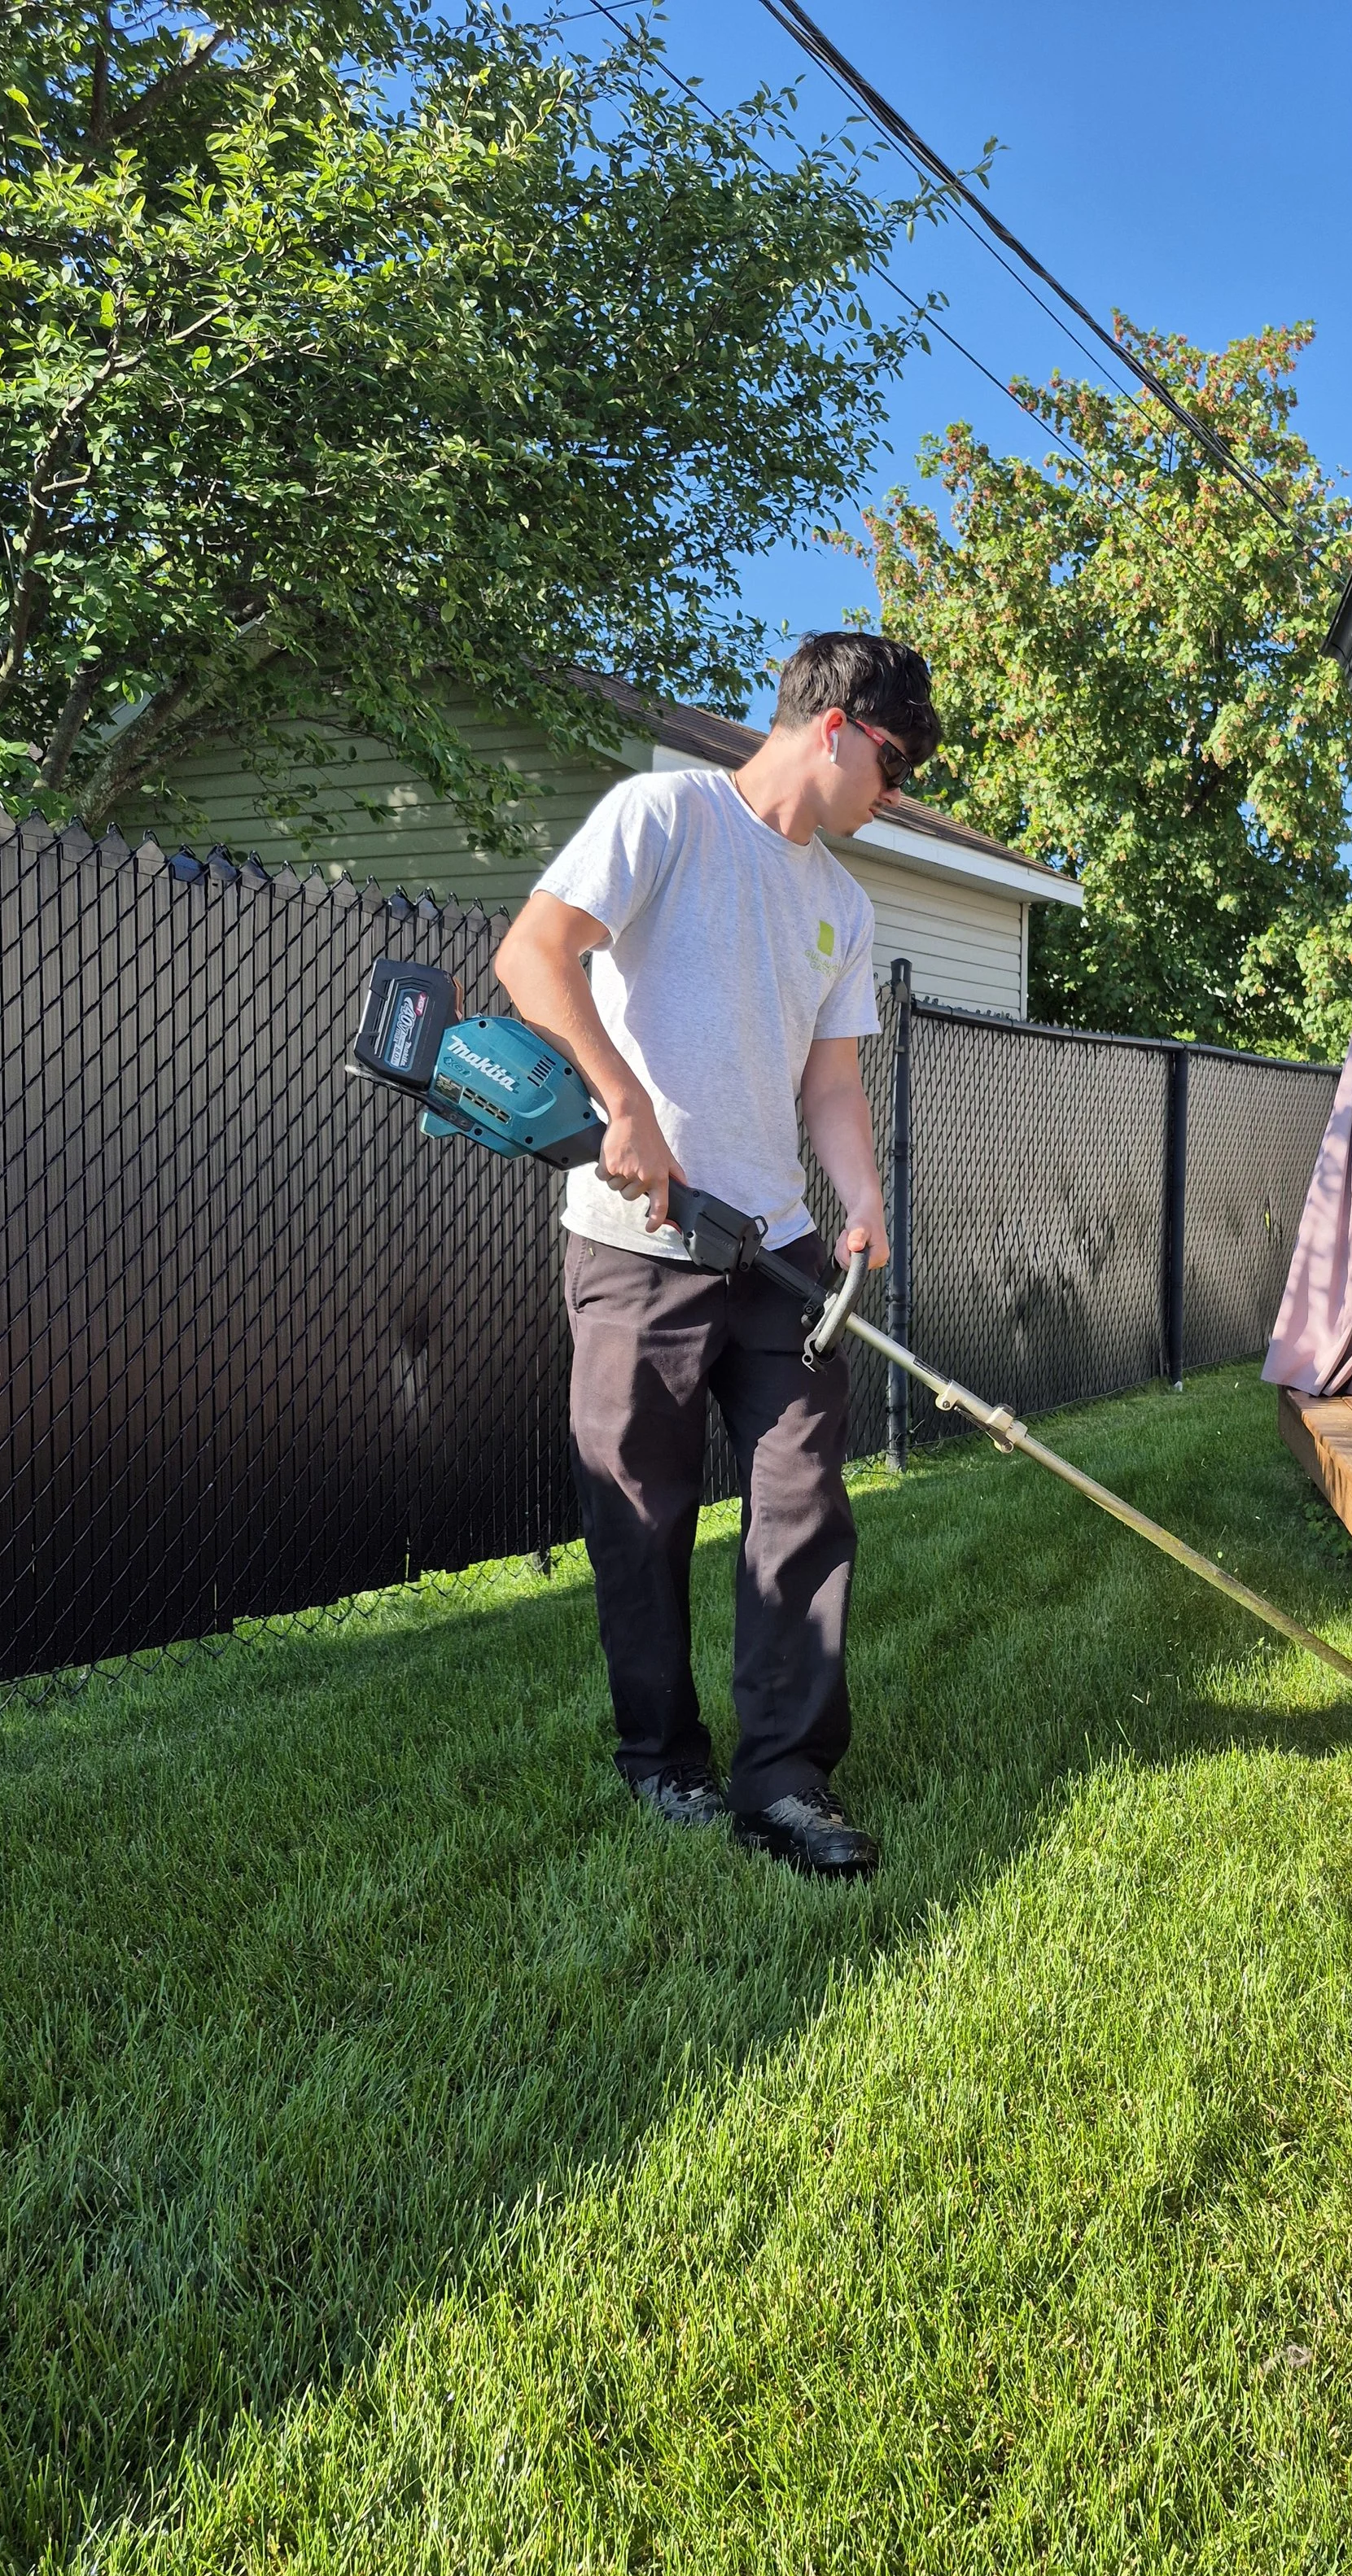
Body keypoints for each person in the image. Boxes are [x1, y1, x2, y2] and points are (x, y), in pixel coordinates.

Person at [492, 632, 939, 1882]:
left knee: (803, 1504)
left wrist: (862, 1197)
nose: (895, 792)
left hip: (777, 1248)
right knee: (639, 1514)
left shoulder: (842, 905)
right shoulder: (666, 815)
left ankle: (784, 1780)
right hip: (639, 1242)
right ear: (837, 727)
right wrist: (622, 1103)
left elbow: (831, 1083)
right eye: (895, 763)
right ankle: (663, 1758)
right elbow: (533, 954)